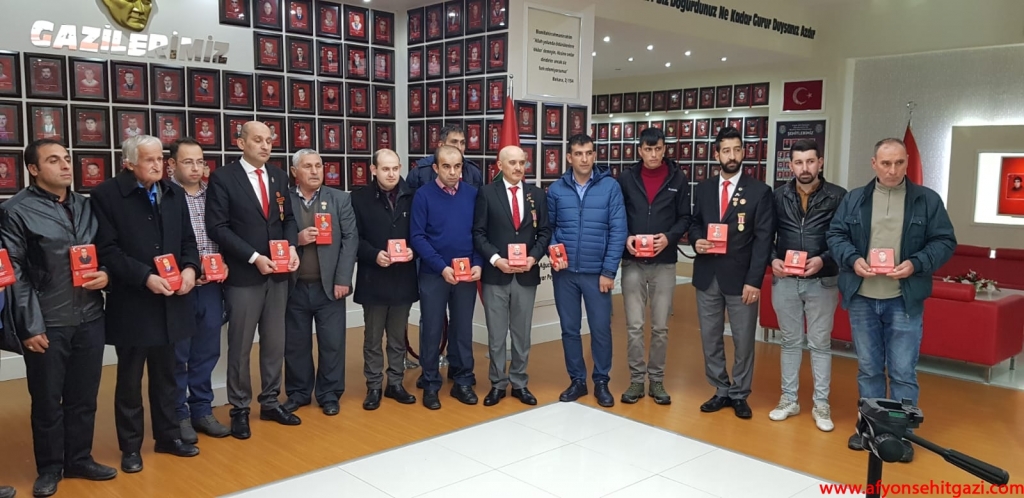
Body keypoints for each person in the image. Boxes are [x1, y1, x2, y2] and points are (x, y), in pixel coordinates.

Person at [0, 139, 118, 497]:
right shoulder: (15, 211)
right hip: (47, 321)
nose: (66, 165)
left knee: (84, 397)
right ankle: (50, 467)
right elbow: (15, 274)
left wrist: (107, 274)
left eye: (67, 159)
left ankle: (79, 459)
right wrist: (29, 325)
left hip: (90, 315)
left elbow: (107, 250)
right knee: (48, 401)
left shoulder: (86, 205)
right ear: (33, 169)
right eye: (54, 160)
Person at [827, 138, 956, 462]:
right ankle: (871, 431)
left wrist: (916, 263)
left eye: (899, 163)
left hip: (904, 299)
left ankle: (900, 436)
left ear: (907, 161)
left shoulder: (927, 200)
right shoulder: (855, 199)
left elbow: (944, 241)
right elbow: (835, 235)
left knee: (902, 372)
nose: (893, 170)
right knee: (869, 369)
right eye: (886, 163)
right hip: (862, 297)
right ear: (874, 164)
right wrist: (853, 259)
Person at [90, 134, 202, 474]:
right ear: (128, 163)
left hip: (172, 300)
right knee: (129, 380)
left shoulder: (172, 193)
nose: (158, 165)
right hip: (134, 302)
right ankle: (130, 447)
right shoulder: (107, 195)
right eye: (149, 160)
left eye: (160, 159)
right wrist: (144, 277)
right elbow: (107, 250)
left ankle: (168, 437)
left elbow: (188, 240)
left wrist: (190, 269)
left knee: (168, 375)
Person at [206, 121, 301, 439]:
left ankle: (271, 401)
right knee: (241, 345)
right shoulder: (223, 178)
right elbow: (217, 227)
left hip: (278, 274)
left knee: (275, 343)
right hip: (244, 275)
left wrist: (291, 247)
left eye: (269, 140)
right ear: (241, 143)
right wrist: (253, 257)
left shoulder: (278, 176)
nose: (265, 145)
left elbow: (288, 219)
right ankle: (239, 408)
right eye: (258, 140)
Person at [690, 126, 775, 420]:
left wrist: (755, 281)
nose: (732, 155)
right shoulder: (704, 188)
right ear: (717, 155)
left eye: (737, 149)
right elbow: (694, 223)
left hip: (742, 280)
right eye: (726, 150)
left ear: (743, 152)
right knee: (710, 337)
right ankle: (720, 389)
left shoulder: (760, 192)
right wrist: (696, 240)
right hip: (707, 275)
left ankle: (740, 393)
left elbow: (763, 240)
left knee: (743, 340)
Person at [767, 139, 847, 432]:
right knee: (789, 342)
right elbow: (766, 236)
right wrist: (772, 259)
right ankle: (789, 400)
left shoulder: (838, 196)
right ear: (790, 165)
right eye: (799, 162)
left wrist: (823, 260)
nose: (805, 168)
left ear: (820, 162)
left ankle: (821, 404)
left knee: (820, 344)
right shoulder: (778, 196)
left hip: (822, 281)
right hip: (786, 281)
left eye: (810, 161)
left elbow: (844, 238)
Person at [547, 134, 627, 408]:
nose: (584, 158)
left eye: (589, 153)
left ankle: (601, 381)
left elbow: (618, 231)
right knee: (569, 329)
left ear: (594, 155)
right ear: (569, 157)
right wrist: (554, 250)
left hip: (597, 274)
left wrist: (609, 271)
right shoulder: (556, 190)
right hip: (565, 274)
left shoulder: (610, 187)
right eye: (578, 154)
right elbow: (549, 229)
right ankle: (577, 381)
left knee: (600, 329)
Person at [616, 127, 692, 405]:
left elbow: (685, 217)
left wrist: (669, 237)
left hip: (664, 263)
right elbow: (617, 215)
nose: (653, 154)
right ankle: (637, 380)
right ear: (640, 150)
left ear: (664, 149)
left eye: (658, 149)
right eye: (648, 149)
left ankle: (657, 380)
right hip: (633, 262)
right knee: (634, 326)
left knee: (660, 327)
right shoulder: (626, 178)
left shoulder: (677, 178)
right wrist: (626, 237)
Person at [473, 146, 551, 407]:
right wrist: (497, 260)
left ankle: (519, 382)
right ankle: (497, 383)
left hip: (526, 275)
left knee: (522, 333)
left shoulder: (536, 195)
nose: (518, 168)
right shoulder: (486, 193)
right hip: (497, 275)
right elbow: (478, 233)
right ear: (500, 165)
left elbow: (545, 232)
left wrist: (533, 258)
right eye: (513, 163)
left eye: (522, 163)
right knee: (496, 335)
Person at [283, 149, 358, 417]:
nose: (315, 171)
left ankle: (329, 394)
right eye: (308, 166)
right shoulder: (283, 200)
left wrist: (343, 279)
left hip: (330, 287)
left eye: (319, 166)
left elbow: (350, 239)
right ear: (295, 172)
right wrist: (297, 239)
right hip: (293, 287)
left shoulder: (339, 199)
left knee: (332, 343)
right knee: (296, 344)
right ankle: (298, 393)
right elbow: (273, 235)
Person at [167, 138, 232, 444]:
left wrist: (227, 263)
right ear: (172, 165)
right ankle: (178, 414)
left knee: (207, 351)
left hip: (212, 285)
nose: (195, 168)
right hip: (179, 286)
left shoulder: (215, 194)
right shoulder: (164, 195)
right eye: (187, 162)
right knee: (178, 353)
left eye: (200, 162)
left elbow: (228, 232)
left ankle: (202, 409)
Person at [410, 145, 481, 410]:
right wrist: (441, 267)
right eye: (447, 166)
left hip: (466, 274)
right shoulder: (423, 195)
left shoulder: (472, 194)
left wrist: (478, 263)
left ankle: (463, 380)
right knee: (431, 329)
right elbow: (418, 236)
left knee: (462, 329)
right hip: (434, 273)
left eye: (457, 166)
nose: (453, 172)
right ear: (436, 168)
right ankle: (430, 382)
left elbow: (480, 233)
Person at [351, 150, 419, 410]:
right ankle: (373, 386)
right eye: (385, 169)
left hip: (403, 277)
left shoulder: (413, 196)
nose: (391, 174)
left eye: (395, 168)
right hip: (374, 277)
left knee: (398, 337)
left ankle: (396, 383)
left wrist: (413, 250)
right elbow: (353, 238)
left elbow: (421, 232)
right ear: (373, 170)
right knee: (373, 338)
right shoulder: (359, 198)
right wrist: (373, 255)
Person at [407, 124, 483, 189]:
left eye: (462, 143)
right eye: (454, 142)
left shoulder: (474, 171)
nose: (459, 147)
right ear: (441, 145)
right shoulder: (419, 172)